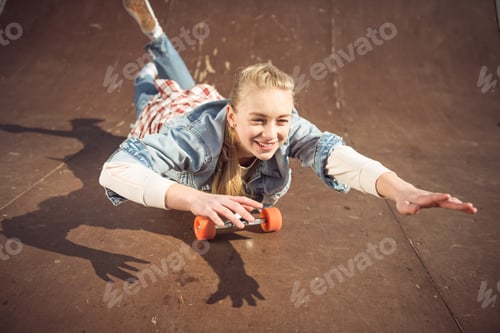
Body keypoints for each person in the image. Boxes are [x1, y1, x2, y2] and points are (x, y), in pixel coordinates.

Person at [99, 0, 477, 229]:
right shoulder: (192, 136)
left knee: (196, 91)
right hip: (173, 117)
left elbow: (333, 154)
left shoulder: (284, 125)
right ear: (233, 117)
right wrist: (195, 200)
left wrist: (403, 190)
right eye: (259, 120)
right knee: (158, 98)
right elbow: (115, 170)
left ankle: (160, 48)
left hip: (209, 104)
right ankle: (146, 71)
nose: (271, 133)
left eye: (281, 120)